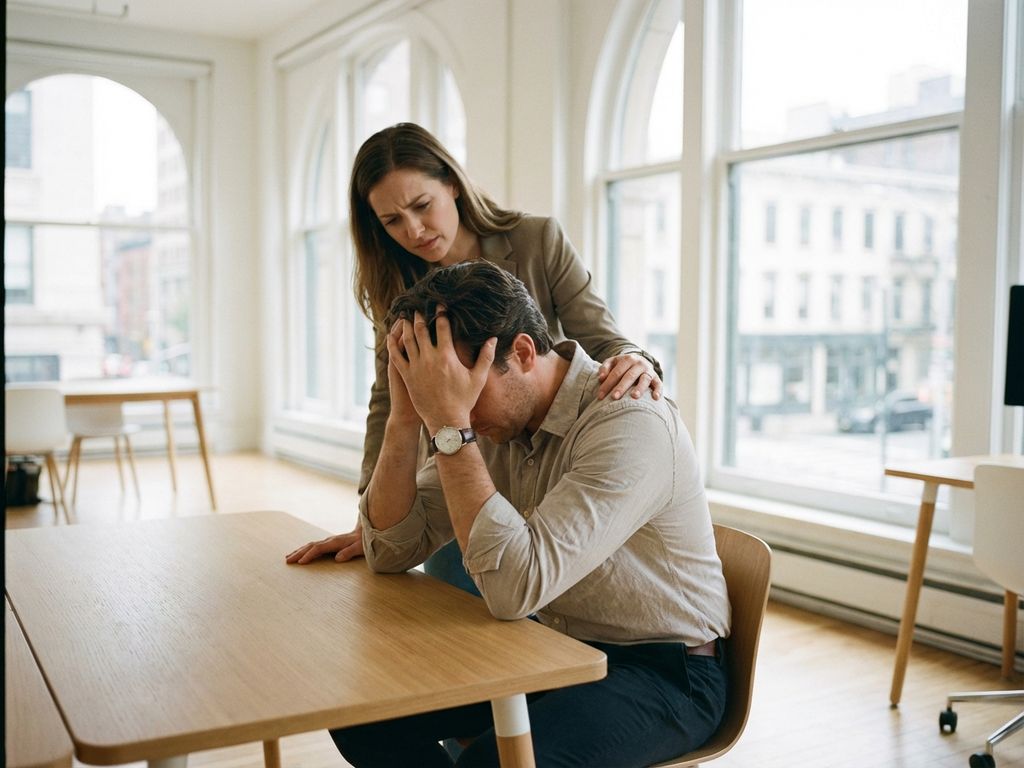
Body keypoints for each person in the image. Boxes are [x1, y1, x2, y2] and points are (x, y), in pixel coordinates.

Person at [289, 261, 731, 768]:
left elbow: (514, 590)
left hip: (664, 671)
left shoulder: (628, 420)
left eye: (463, 388)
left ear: (521, 353)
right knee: (359, 710)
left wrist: (453, 424)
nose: (454, 408)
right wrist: (408, 411)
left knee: (487, 764)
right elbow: (390, 550)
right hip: (551, 647)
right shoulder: (492, 422)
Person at [292, 122, 663, 593]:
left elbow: (604, 337)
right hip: (460, 461)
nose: (414, 230)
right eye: (391, 222)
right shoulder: (396, 287)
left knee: (518, 588)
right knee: (450, 609)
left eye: (422, 206)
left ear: (452, 183)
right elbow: (389, 404)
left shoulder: (536, 241)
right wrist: (374, 519)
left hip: (539, 456)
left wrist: (636, 360)